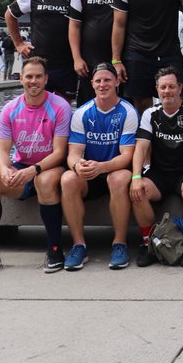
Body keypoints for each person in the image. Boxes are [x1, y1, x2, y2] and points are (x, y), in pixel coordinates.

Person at [0, 57, 71, 275]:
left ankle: (55, 248)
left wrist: (33, 170)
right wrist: (5, 169)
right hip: (22, 164)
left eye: (38, 76)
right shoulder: (10, 109)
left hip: (50, 167)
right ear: (21, 79)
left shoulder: (60, 106)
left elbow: (60, 152)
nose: (33, 81)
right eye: (29, 76)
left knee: (44, 181)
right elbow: (1, 151)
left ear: (46, 79)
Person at [60, 64, 138, 271]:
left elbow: (127, 155)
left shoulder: (127, 111)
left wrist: (102, 167)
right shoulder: (82, 113)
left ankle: (119, 244)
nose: (102, 85)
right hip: (91, 173)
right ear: (92, 84)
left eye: (107, 80)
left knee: (119, 178)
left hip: (113, 169)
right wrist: (78, 166)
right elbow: (73, 153)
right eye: (98, 81)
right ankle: (78, 245)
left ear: (117, 82)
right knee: (68, 179)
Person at [130, 67, 183, 268]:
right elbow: (141, 147)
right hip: (159, 173)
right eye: (163, 87)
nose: (167, 91)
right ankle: (149, 243)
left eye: (172, 86)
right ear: (157, 89)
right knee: (138, 191)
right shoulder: (150, 114)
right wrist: (136, 177)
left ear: (180, 88)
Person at [6, 0, 76, 100]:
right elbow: (10, 14)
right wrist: (19, 44)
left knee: (64, 107)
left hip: (67, 64)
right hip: (40, 64)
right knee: (37, 106)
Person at [67, 0, 123, 107]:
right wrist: (77, 58)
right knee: (88, 106)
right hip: (90, 60)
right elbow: (74, 26)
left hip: (119, 60)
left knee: (123, 104)